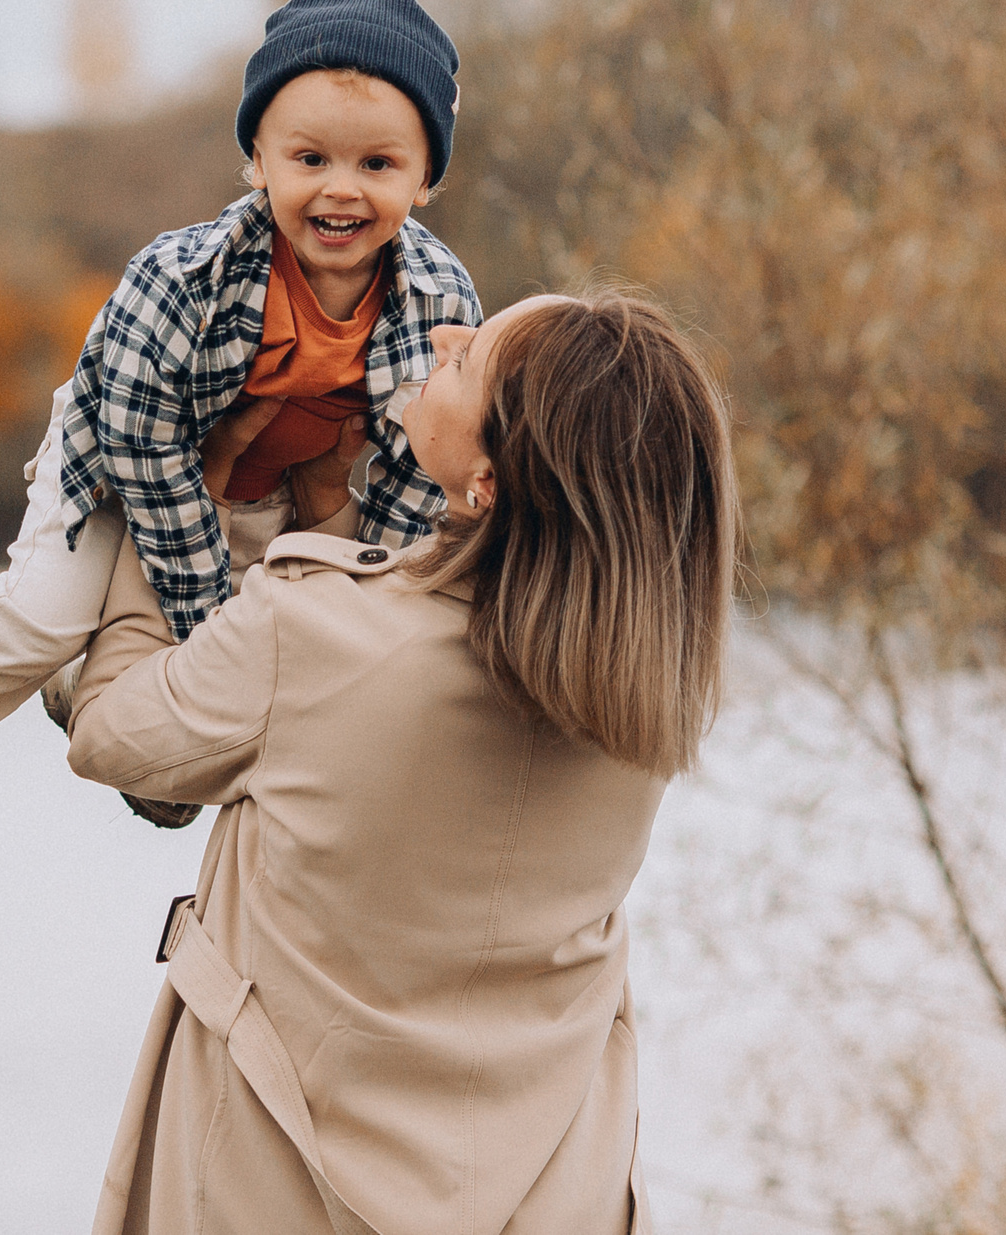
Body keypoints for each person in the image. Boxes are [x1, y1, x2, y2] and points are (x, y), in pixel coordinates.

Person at [0, 0, 485, 856]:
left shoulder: (437, 301)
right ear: (258, 163)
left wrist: (369, 600)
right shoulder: (183, 277)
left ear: (427, 177)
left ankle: (107, 698)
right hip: (118, 473)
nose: (340, 190)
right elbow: (142, 445)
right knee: (41, 617)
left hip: (270, 498)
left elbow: (412, 478)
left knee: (224, 730)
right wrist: (203, 635)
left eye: (378, 164)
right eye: (309, 160)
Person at [63, 289, 740, 1233]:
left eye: (470, 360)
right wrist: (337, 516)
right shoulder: (640, 705)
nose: (446, 336)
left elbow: (109, 729)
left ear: (488, 482)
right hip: (548, 1195)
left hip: (268, 1182)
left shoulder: (307, 630)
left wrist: (176, 503)